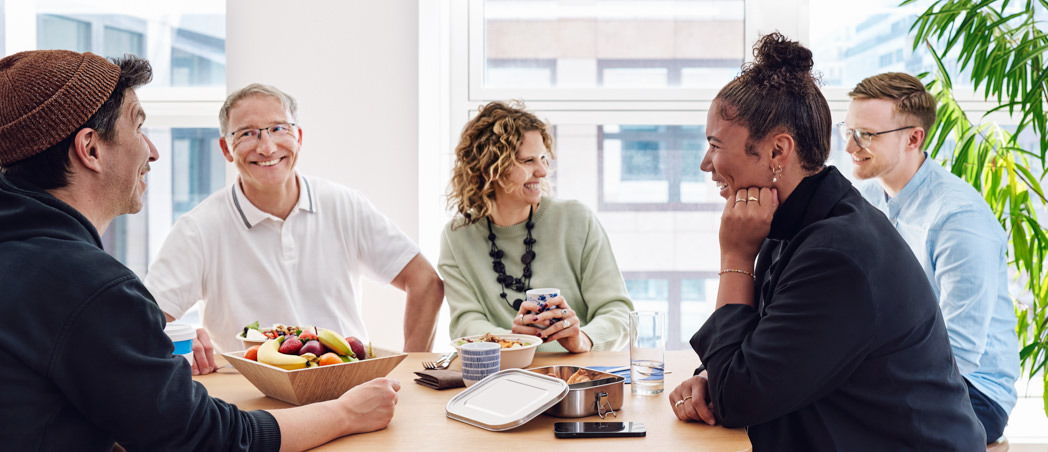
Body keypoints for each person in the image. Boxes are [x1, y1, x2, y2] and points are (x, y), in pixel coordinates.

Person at [0, 50, 399, 451]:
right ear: (91, 149)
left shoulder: (26, 258)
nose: (152, 151)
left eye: (278, 128)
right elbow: (204, 438)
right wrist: (346, 413)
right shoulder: (89, 287)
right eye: (139, 127)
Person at [666, 33, 985, 450]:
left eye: (714, 145)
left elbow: (739, 397)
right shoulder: (795, 224)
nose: (706, 164)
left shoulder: (836, 254)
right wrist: (709, 376)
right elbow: (765, 351)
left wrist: (736, 257)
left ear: (778, 150)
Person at [144, 83, 444, 373]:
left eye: (278, 128)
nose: (267, 146)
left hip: (345, 384)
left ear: (298, 136)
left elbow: (426, 282)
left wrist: (410, 370)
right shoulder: (198, 229)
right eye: (247, 133)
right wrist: (185, 339)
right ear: (226, 148)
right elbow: (145, 322)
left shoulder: (344, 205)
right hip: (248, 403)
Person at [844, 72, 1020, 445]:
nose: (849, 146)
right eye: (848, 131)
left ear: (913, 138)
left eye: (867, 135)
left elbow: (959, 352)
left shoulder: (959, 218)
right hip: (904, 375)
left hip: (972, 394)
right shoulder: (867, 202)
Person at [439, 100, 633, 353]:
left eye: (543, 158)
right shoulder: (457, 237)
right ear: (489, 168)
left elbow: (619, 312)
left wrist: (583, 338)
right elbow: (466, 323)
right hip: (500, 377)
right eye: (528, 160)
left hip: (576, 374)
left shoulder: (576, 220)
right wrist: (517, 343)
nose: (542, 171)